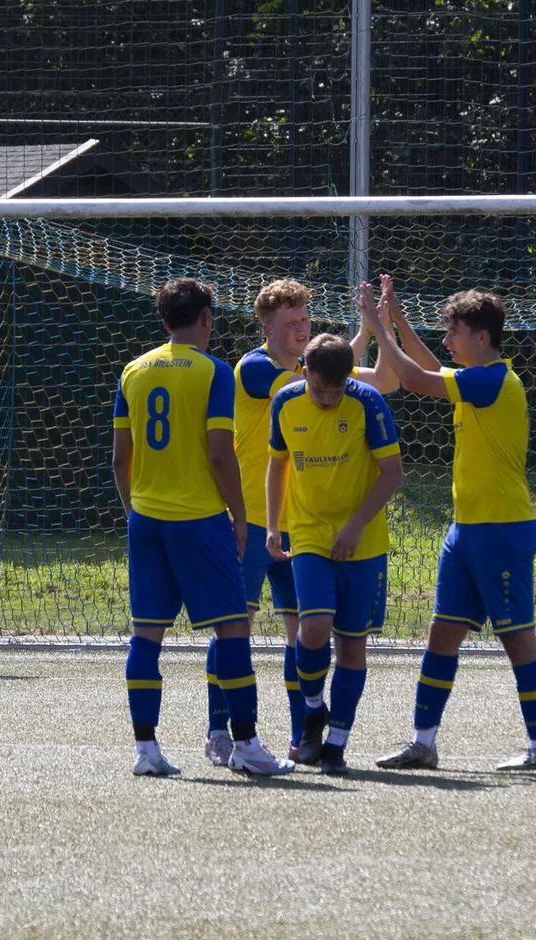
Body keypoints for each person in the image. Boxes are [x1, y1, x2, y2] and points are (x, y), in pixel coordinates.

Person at [365, 277, 536, 771]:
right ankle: (423, 743)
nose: (448, 342)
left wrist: (379, 326)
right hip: (466, 531)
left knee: (517, 637)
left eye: (453, 332)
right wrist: (398, 321)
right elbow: (430, 369)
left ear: (481, 336)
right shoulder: (474, 381)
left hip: (501, 529)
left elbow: (413, 379)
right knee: (442, 636)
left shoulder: (494, 379)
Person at [112, 278, 296, 777]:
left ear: (164, 321)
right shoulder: (215, 372)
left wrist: (135, 511)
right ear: (206, 319)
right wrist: (239, 515)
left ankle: (146, 751)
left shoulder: (134, 371)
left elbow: (120, 457)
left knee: (146, 637)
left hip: (146, 520)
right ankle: (246, 745)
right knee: (234, 628)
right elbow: (220, 453)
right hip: (199, 520)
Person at [210, 278, 393, 766]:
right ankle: (218, 730)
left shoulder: (312, 374)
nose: (300, 327)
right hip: (249, 520)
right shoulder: (257, 369)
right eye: (290, 322)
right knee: (235, 627)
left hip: (299, 524)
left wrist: (370, 330)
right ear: (267, 328)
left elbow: (340, 376)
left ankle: (303, 733)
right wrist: (363, 336)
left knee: (304, 635)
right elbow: (319, 379)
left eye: (306, 320)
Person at [265, 333, 404, 776]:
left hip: (361, 539)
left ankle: (337, 744)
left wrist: (356, 525)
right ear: (304, 371)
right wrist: (273, 524)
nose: (328, 397)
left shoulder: (367, 402)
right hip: (307, 533)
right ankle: (312, 710)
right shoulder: (285, 403)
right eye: (320, 387)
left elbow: (392, 472)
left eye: (337, 388)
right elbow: (277, 463)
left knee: (351, 645)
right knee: (313, 627)